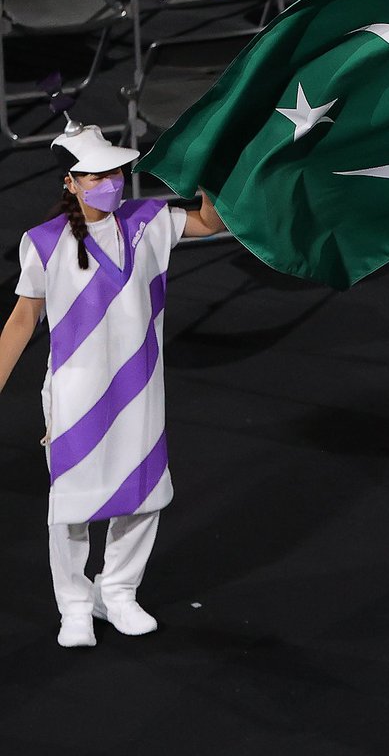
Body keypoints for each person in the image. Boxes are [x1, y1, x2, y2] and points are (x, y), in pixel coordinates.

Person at [0, 121, 226, 647]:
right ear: (72, 184)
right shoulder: (43, 243)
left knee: (144, 494)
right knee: (74, 502)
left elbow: (211, 222)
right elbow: (21, 320)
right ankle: (74, 605)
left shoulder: (150, 221)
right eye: (99, 175)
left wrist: (207, 168)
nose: (113, 181)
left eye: (118, 172)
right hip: (76, 393)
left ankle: (118, 591)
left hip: (140, 384)